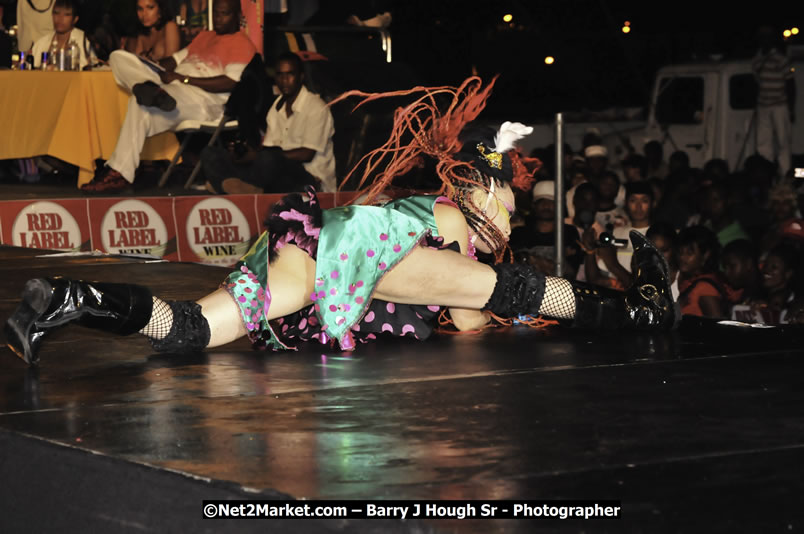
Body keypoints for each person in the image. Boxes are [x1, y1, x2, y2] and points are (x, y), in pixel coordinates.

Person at [4, 78, 677, 366]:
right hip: (334, 252)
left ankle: (69, 299)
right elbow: (379, 242)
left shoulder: (452, 238)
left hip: (313, 255)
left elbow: (469, 318)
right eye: (510, 196)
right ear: (477, 187)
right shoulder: (444, 217)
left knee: (189, 330)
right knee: (516, 288)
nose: (514, 211)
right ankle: (641, 310)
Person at [80, 0, 257, 194]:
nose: (218, 18)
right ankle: (147, 87)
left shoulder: (243, 44)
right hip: (173, 91)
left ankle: (119, 173)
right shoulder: (205, 37)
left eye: (225, 14)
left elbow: (230, 83)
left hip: (204, 100)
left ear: (238, 17)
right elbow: (174, 60)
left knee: (139, 103)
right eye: (216, 13)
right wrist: (149, 66)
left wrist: (184, 79)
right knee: (118, 57)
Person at [201, 51, 337, 194]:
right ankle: (240, 187)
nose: (284, 80)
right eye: (280, 74)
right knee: (209, 153)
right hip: (276, 173)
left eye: (290, 74)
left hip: (309, 178)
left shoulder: (316, 107)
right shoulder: (276, 108)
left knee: (268, 159)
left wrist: (258, 156)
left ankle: (228, 186)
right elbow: (268, 151)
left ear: (301, 77)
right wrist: (245, 155)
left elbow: (306, 154)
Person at [509, 180, 583, 278]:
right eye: (541, 201)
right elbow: (511, 266)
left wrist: (531, 259)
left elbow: (570, 272)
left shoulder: (568, 233)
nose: (546, 206)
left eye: (551, 202)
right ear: (534, 206)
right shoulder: (519, 233)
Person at [752, 25, 796, 178]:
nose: (764, 40)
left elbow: (790, 83)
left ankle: (785, 176)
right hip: (763, 105)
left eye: (767, 37)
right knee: (763, 143)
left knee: (783, 142)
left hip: (779, 104)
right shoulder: (757, 59)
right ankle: (766, 174)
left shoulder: (780, 58)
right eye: (762, 37)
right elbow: (757, 82)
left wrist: (791, 108)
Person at [677, 225, 728, 318]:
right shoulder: (690, 282)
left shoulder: (705, 289)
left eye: (689, 253)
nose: (682, 258)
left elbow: (719, 328)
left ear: (706, 255)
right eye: (680, 252)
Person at [30, 0, 87, 69]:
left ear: (75, 19)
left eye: (66, 15)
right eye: (56, 13)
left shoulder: (83, 41)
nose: (60, 18)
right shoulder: (41, 43)